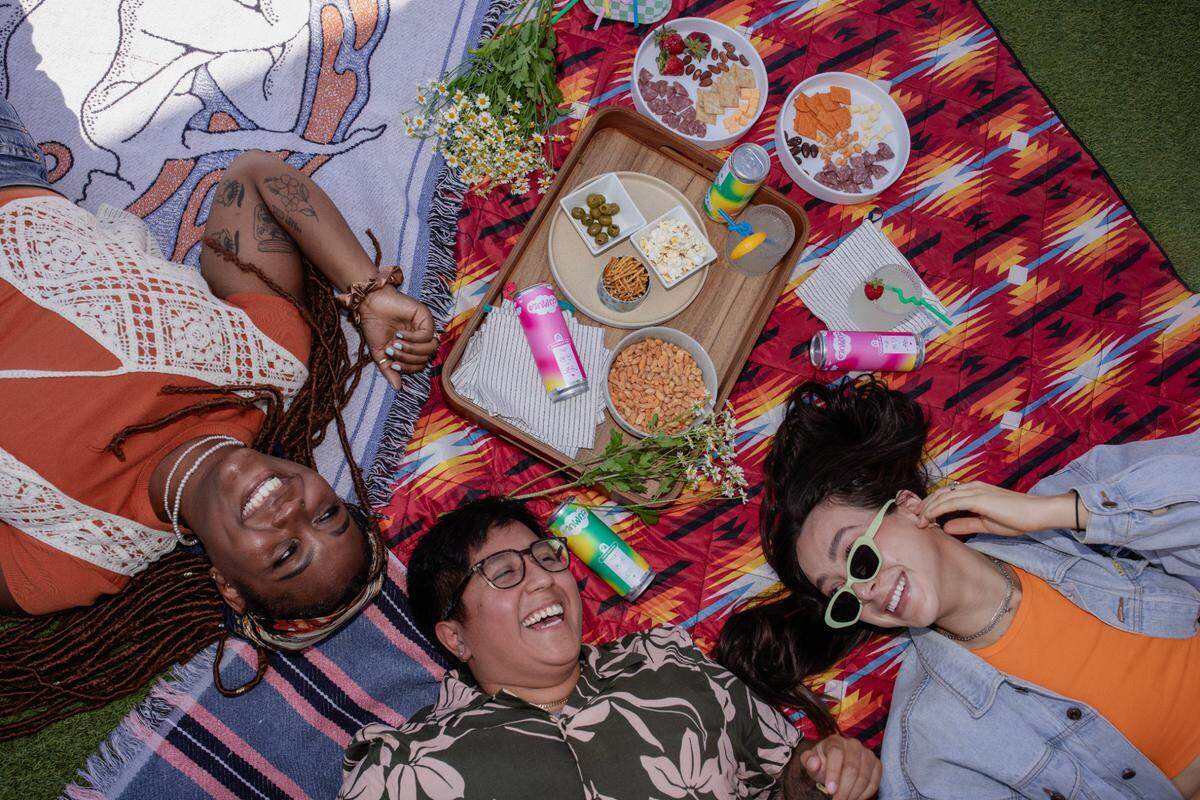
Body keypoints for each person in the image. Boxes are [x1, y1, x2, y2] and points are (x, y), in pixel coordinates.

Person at [0, 95, 436, 734]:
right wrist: (368, 292)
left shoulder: (74, 558)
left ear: (227, 586)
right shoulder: (267, 364)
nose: (291, 510)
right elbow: (255, 178)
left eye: (285, 553)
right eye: (326, 514)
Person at [714, 377, 1200, 799]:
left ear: (909, 507)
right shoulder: (931, 744)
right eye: (841, 597)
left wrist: (1066, 512)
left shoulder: (1066, 509)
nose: (864, 592)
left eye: (859, 557)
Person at [339, 497, 882, 800]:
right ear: (455, 637)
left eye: (547, 557)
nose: (543, 579)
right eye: (503, 572)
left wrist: (827, 770)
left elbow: (787, 776)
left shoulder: (670, 662)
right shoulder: (400, 769)